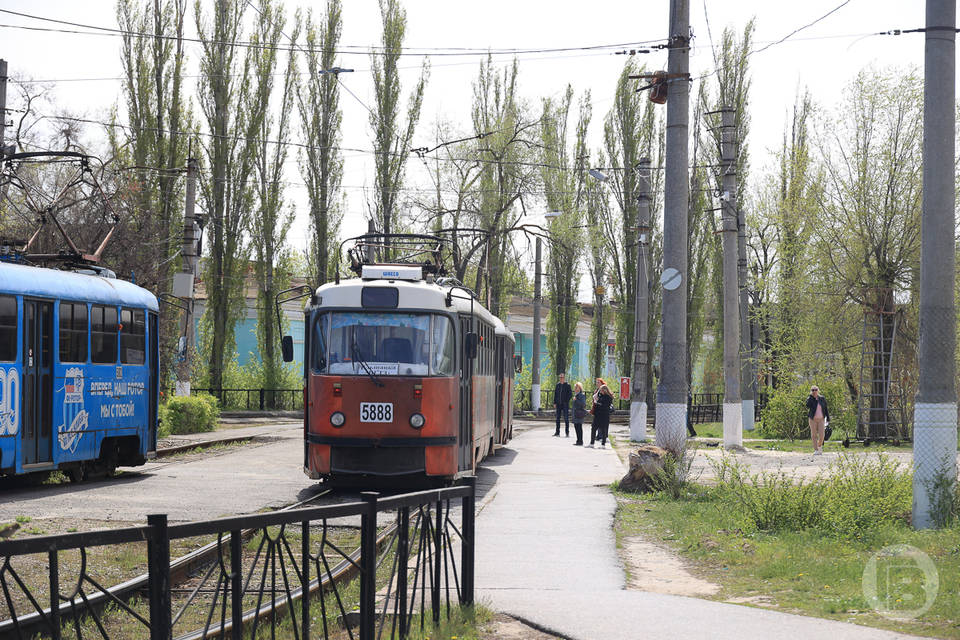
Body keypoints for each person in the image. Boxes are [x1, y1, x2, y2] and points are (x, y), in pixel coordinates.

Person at [806, 385, 830, 455]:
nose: (814, 391)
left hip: (821, 419)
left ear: (818, 390)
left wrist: (828, 417)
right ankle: (816, 449)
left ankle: (819, 446)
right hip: (812, 419)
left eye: (815, 390)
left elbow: (825, 408)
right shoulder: (810, 398)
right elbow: (807, 405)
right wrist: (812, 398)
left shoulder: (822, 398)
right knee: (814, 435)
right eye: (812, 390)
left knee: (822, 435)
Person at [589, 383, 614, 448]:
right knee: (593, 428)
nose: (600, 391)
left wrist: (597, 403)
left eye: (601, 390)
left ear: (605, 390)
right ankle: (592, 443)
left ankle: (603, 444)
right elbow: (598, 403)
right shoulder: (600, 396)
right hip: (597, 415)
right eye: (600, 390)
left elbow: (604, 406)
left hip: (604, 416)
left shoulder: (608, 397)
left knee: (603, 430)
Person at [553, 373, 573, 437]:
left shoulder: (567, 385)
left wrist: (566, 401)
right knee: (557, 418)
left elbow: (570, 395)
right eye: (560, 377)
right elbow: (555, 394)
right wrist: (554, 403)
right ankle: (557, 432)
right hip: (558, 404)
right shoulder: (557, 385)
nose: (561, 379)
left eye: (562, 377)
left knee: (566, 419)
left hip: (565, 404)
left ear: (564, 378)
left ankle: (567, 432)